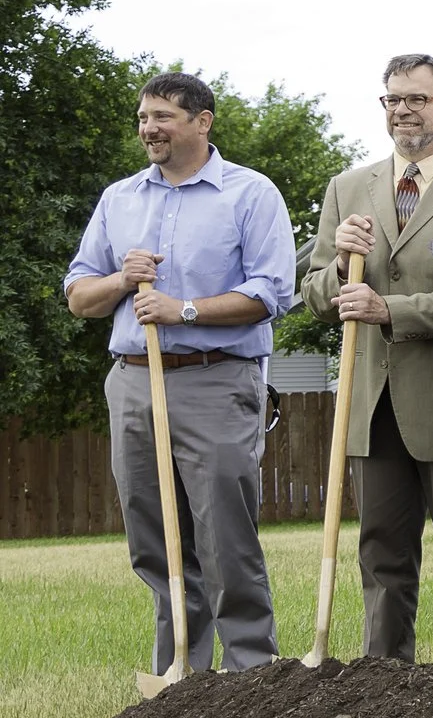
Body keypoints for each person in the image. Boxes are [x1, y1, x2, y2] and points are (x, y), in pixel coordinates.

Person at [64, 72, 295, 676]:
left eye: (164, 116)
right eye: (144, 117)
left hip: (215, 379)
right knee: (154, 537)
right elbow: (79, 295)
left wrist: (182, 309)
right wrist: (121, 279)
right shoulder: (120, 199)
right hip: (133, 381)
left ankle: (251, 674)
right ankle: (180, 679)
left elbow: (271, 293)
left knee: (224, 534)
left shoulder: (250, 194)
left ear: (202, 121)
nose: (149, 128)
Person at [301, 53, 433, 660]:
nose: (403, 110)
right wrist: (336, 264)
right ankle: (385, 677)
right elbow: (312, 295)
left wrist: (393, 311)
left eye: (417, 99)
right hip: (371, 397)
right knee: (381, 545)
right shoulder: (348, 187)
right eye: (393, 99)